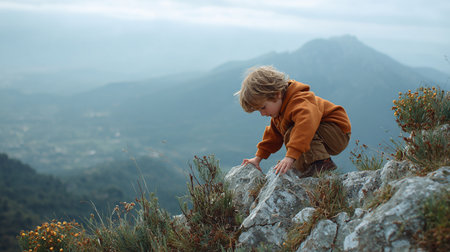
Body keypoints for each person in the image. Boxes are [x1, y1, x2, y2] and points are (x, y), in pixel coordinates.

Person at [235, 66, 351, 177]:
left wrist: (290, 157)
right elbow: (272, 137)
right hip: (321, 133)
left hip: (337, 131)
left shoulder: (299, 101)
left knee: (294, 133)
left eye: (263, 107)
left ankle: (323, 164)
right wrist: (257, 158)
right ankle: (307, 168)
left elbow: (305, 126)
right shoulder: (279, 113)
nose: (262, 114)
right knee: (292, 144)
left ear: (277, 94)